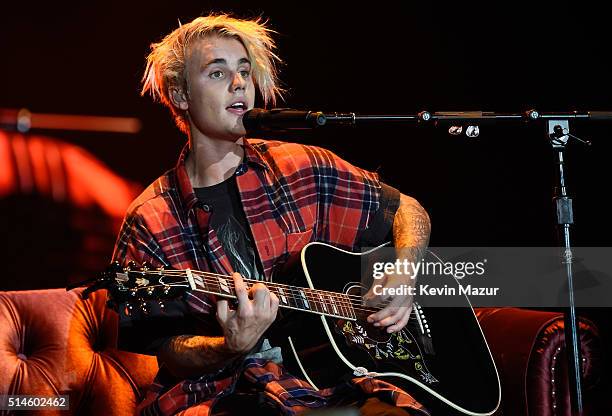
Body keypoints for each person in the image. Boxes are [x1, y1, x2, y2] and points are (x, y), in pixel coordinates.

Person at [112, 14, 431, 416]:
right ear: (179, 94)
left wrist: (403, 275)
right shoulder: (151, 218)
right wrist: (229, 345)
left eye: (244, 71)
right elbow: (169, 351)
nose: (239, 83)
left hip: (336, 381)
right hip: (223, 394)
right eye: (217, 72)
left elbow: (407, 210)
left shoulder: (301, 166)